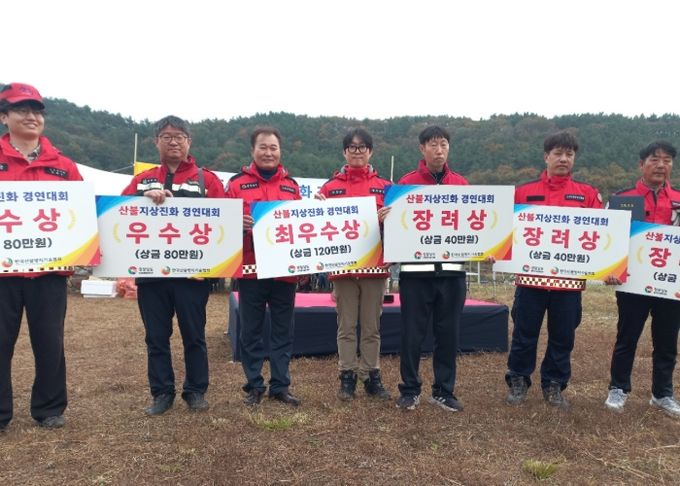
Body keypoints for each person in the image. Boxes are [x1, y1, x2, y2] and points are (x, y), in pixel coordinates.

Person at [122, 115, 225, 416]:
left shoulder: (207, 180)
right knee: (156, 337)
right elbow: (116, 210)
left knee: (195, 335)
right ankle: (162, 393)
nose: (173, 141)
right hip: (151, 275)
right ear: (156, 141)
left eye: (179, 136)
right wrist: (141, 197)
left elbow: (224, 221)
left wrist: (213, 268)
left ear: (189, 141)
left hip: (193, 276)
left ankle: (195, 391)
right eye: (166, 136)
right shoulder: (142, 179)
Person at [0, 82, 83, 429]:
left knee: (50, 341)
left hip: (49, 272)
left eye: (37, 111)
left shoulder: (64, 165)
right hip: (3, 273)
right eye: (22, 109)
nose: (31, 116)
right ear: (4, 117)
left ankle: (49, 408)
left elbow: (83, 214)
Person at [505, 131, 602, 409]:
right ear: (546, 156)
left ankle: (554, 384)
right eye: (557, 153)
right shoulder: (522, 192)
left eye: (569, 154)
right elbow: (504, 231)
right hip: (531, 279)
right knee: (524, 333)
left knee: (563, 336)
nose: (563, 159)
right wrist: (496, 253)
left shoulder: (587, 194)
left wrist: (610, 267)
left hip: (568, 283)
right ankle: (518, 379)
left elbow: (603, 237)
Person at [393, 126, 469, 412]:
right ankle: (410, 389)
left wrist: (488, 248)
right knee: (411, 334)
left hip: (452, 273)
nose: (439, 150)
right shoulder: (406, 183)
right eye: (433, 145)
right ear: (422, 148)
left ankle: (444, 391)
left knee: (448, 334)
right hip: (415, 274)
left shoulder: (461, 184)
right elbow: (398, 227)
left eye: (444, 144)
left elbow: (476, 227)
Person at [226, 127, 302, 407]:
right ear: (253, 150)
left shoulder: (292, 186)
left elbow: (302, 227)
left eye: (273, 147)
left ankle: (280, 386)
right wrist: (236, 222)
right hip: (251, 270)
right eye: (263, 147)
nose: (268, 152)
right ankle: (254, 385)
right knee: (251, 331)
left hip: (284, 272)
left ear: (280, 151)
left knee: (283, 331)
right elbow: (220, 225)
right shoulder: (235, 185)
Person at [604, 141, 680, 417]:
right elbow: (607, 239)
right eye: (654, 159)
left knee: (667, 341)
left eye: (667, 160)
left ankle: (662, 393)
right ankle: (618, 388)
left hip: (670, 284)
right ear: (641, 164)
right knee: (627, 337)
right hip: (632, 283)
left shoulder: (678, 200)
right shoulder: (621, 199)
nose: (661, 165)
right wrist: (609, 269)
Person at [316, 128, 391, 401]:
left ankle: (371, 375)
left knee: (371, 327)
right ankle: (346, 376)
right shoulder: (329, 188)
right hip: (343, 268)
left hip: (374, 266)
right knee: (346, 326)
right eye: (352, 147)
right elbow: (317, 228)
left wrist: (388, 219)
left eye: (362, 147)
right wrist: (316, 210)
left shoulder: (386, 187)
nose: (357, 151)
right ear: (344, 152)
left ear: (370, 151)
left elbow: (400, 227)